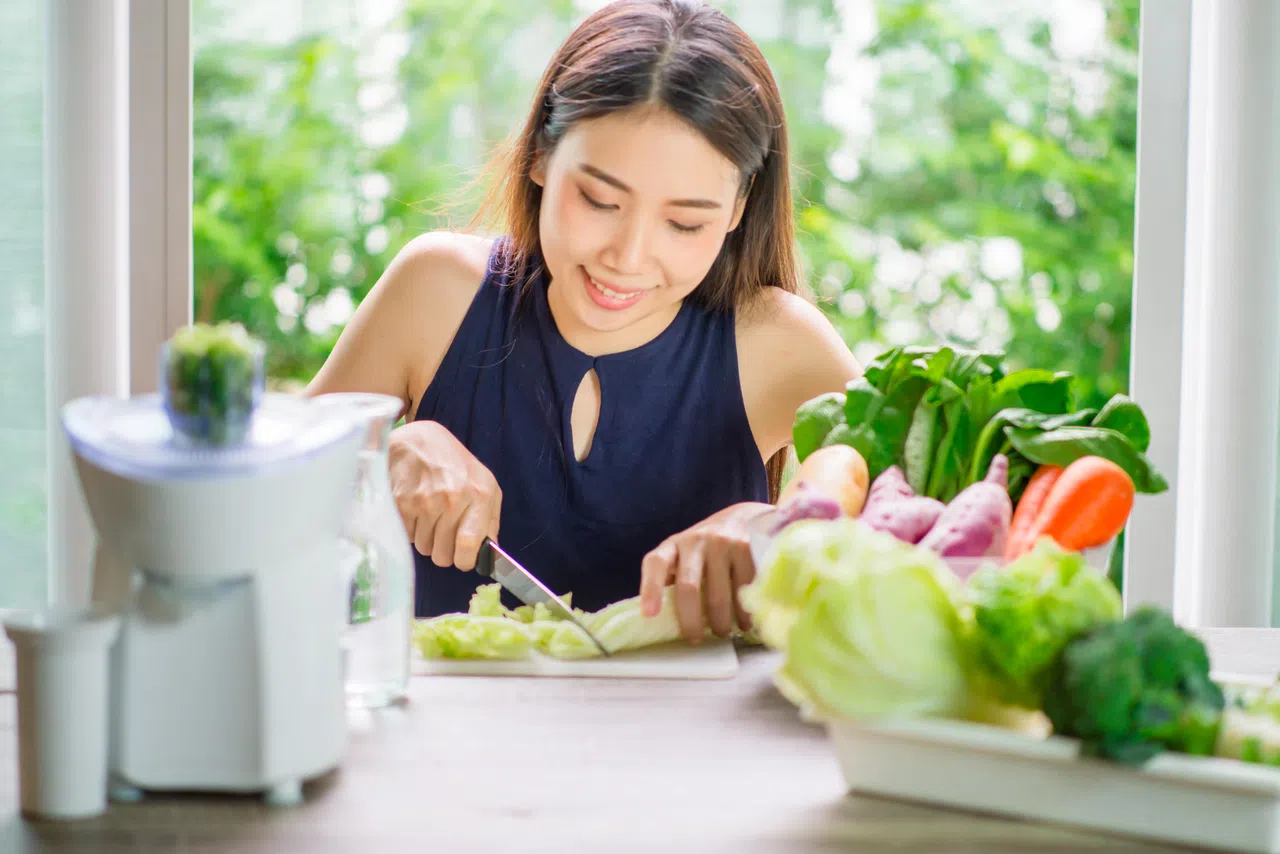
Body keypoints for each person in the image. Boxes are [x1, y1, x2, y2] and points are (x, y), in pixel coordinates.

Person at [305, 0, 862, 644]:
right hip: (442, 733)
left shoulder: (778, 344)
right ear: (540, 156)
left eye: (685, 223)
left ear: (738, 208)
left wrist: (781, 528)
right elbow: (258, 500)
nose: (627, 258)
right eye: (599, 200)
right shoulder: (436, 290)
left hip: (693, 741)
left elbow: (919, 527)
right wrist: (381, 455)